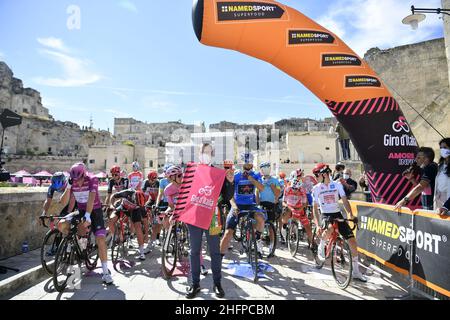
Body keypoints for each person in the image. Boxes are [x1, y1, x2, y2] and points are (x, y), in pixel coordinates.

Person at [185, 143, 233, 299]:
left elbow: (227, 197)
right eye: (203, 152)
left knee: (214, 252)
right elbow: (185, 193)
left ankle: (217, 283)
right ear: (199, 154)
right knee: (194, 251)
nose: (205, 155)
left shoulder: (219, 173)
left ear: (212, 155)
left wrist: (230, 182)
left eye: (208, 152)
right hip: (194, 217)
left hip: (213, 218)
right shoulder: (192, 171)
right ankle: (195, 284)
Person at [312, 163, 367, 282]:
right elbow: (315, 208)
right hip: (325, 214)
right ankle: (322, 245)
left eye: (317, 175)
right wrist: (317, 225)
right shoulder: (316, 188)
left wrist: (351, 214)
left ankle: (356, 271)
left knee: (352, 241)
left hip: (337, 213)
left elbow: (345, 200)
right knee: (330, 227)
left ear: (324, 174)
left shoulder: (336, 185)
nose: (316, 178)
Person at [66, 163, 113, 284]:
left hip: (95, 209)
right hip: (81, 209)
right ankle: (83, 249)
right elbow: (72, 200)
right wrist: (67, 214)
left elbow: (92, 197)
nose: (78, 182)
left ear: (84, 174)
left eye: (80, 179)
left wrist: (88, 215)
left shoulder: (92, 179)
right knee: (76, 229)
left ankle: (105, 272)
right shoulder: (73, 181)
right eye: (75, 180)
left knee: (100, 239)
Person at [220, 152, 265, 257]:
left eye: (250, 164)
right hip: (237, 205)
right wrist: (234, 206)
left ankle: (258, 241)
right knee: (228, 233)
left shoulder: (255, 175)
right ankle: (219, 257)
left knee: (261, 218)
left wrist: (251, 179)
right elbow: (229, 194)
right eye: (246, 164)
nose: (248, 166)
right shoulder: (236, 175)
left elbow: (262, 188)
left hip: (250, 205)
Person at [110, 187, 147, 260]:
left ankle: (142, 251)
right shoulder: (127, 192)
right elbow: (113, 196)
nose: (136, 203)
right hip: (123, 207)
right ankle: (116, 238)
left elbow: (145, 221)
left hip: (135, 210)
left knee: (138, 227)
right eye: (136, 202)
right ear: (133, 197)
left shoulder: (141, 206)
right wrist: (112, 205)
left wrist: (146, 234)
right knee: (111, 221)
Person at [256, 161, 280, 257]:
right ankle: (259, 246)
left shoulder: (275, 180)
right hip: (261, 204)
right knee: (259, 225)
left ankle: (271, 246)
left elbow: (278, 193)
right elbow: (257, 193)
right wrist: (257, 204)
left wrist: (271, 186)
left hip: (271, 204)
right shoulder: (259, 180)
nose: (266, 169)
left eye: (268, 167)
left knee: (271, 226)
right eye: (264, 168)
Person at [282, 175, 313, 245]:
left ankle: (312, 243)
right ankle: (284, 228)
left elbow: (305, 203)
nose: (294, 190)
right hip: (290, 207)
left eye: (296, 189)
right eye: (293, 188)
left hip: (299, 208)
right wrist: (291, 208)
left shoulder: (302, 190)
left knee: (307, 226)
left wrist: (299, 209)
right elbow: (283, 202)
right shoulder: (287, 189)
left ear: (299, 188)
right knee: (286, 212)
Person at [142, 170, 159, 254]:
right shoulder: (146, 182)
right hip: (151, 199)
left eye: (152, 180)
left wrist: (156, 204)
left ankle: (157, 237)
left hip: (158, 200)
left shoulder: (158, 183)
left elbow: (160, 195)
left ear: (155, 179)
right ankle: (147, 223)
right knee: (144, 208)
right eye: (149, 179)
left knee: (157, 218)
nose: (150, 181)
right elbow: (142, 193)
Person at [434, 138, 450, 210]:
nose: (442, 150)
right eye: (441, 148)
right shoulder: (440, 165)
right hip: (439, 198)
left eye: (445, 147)